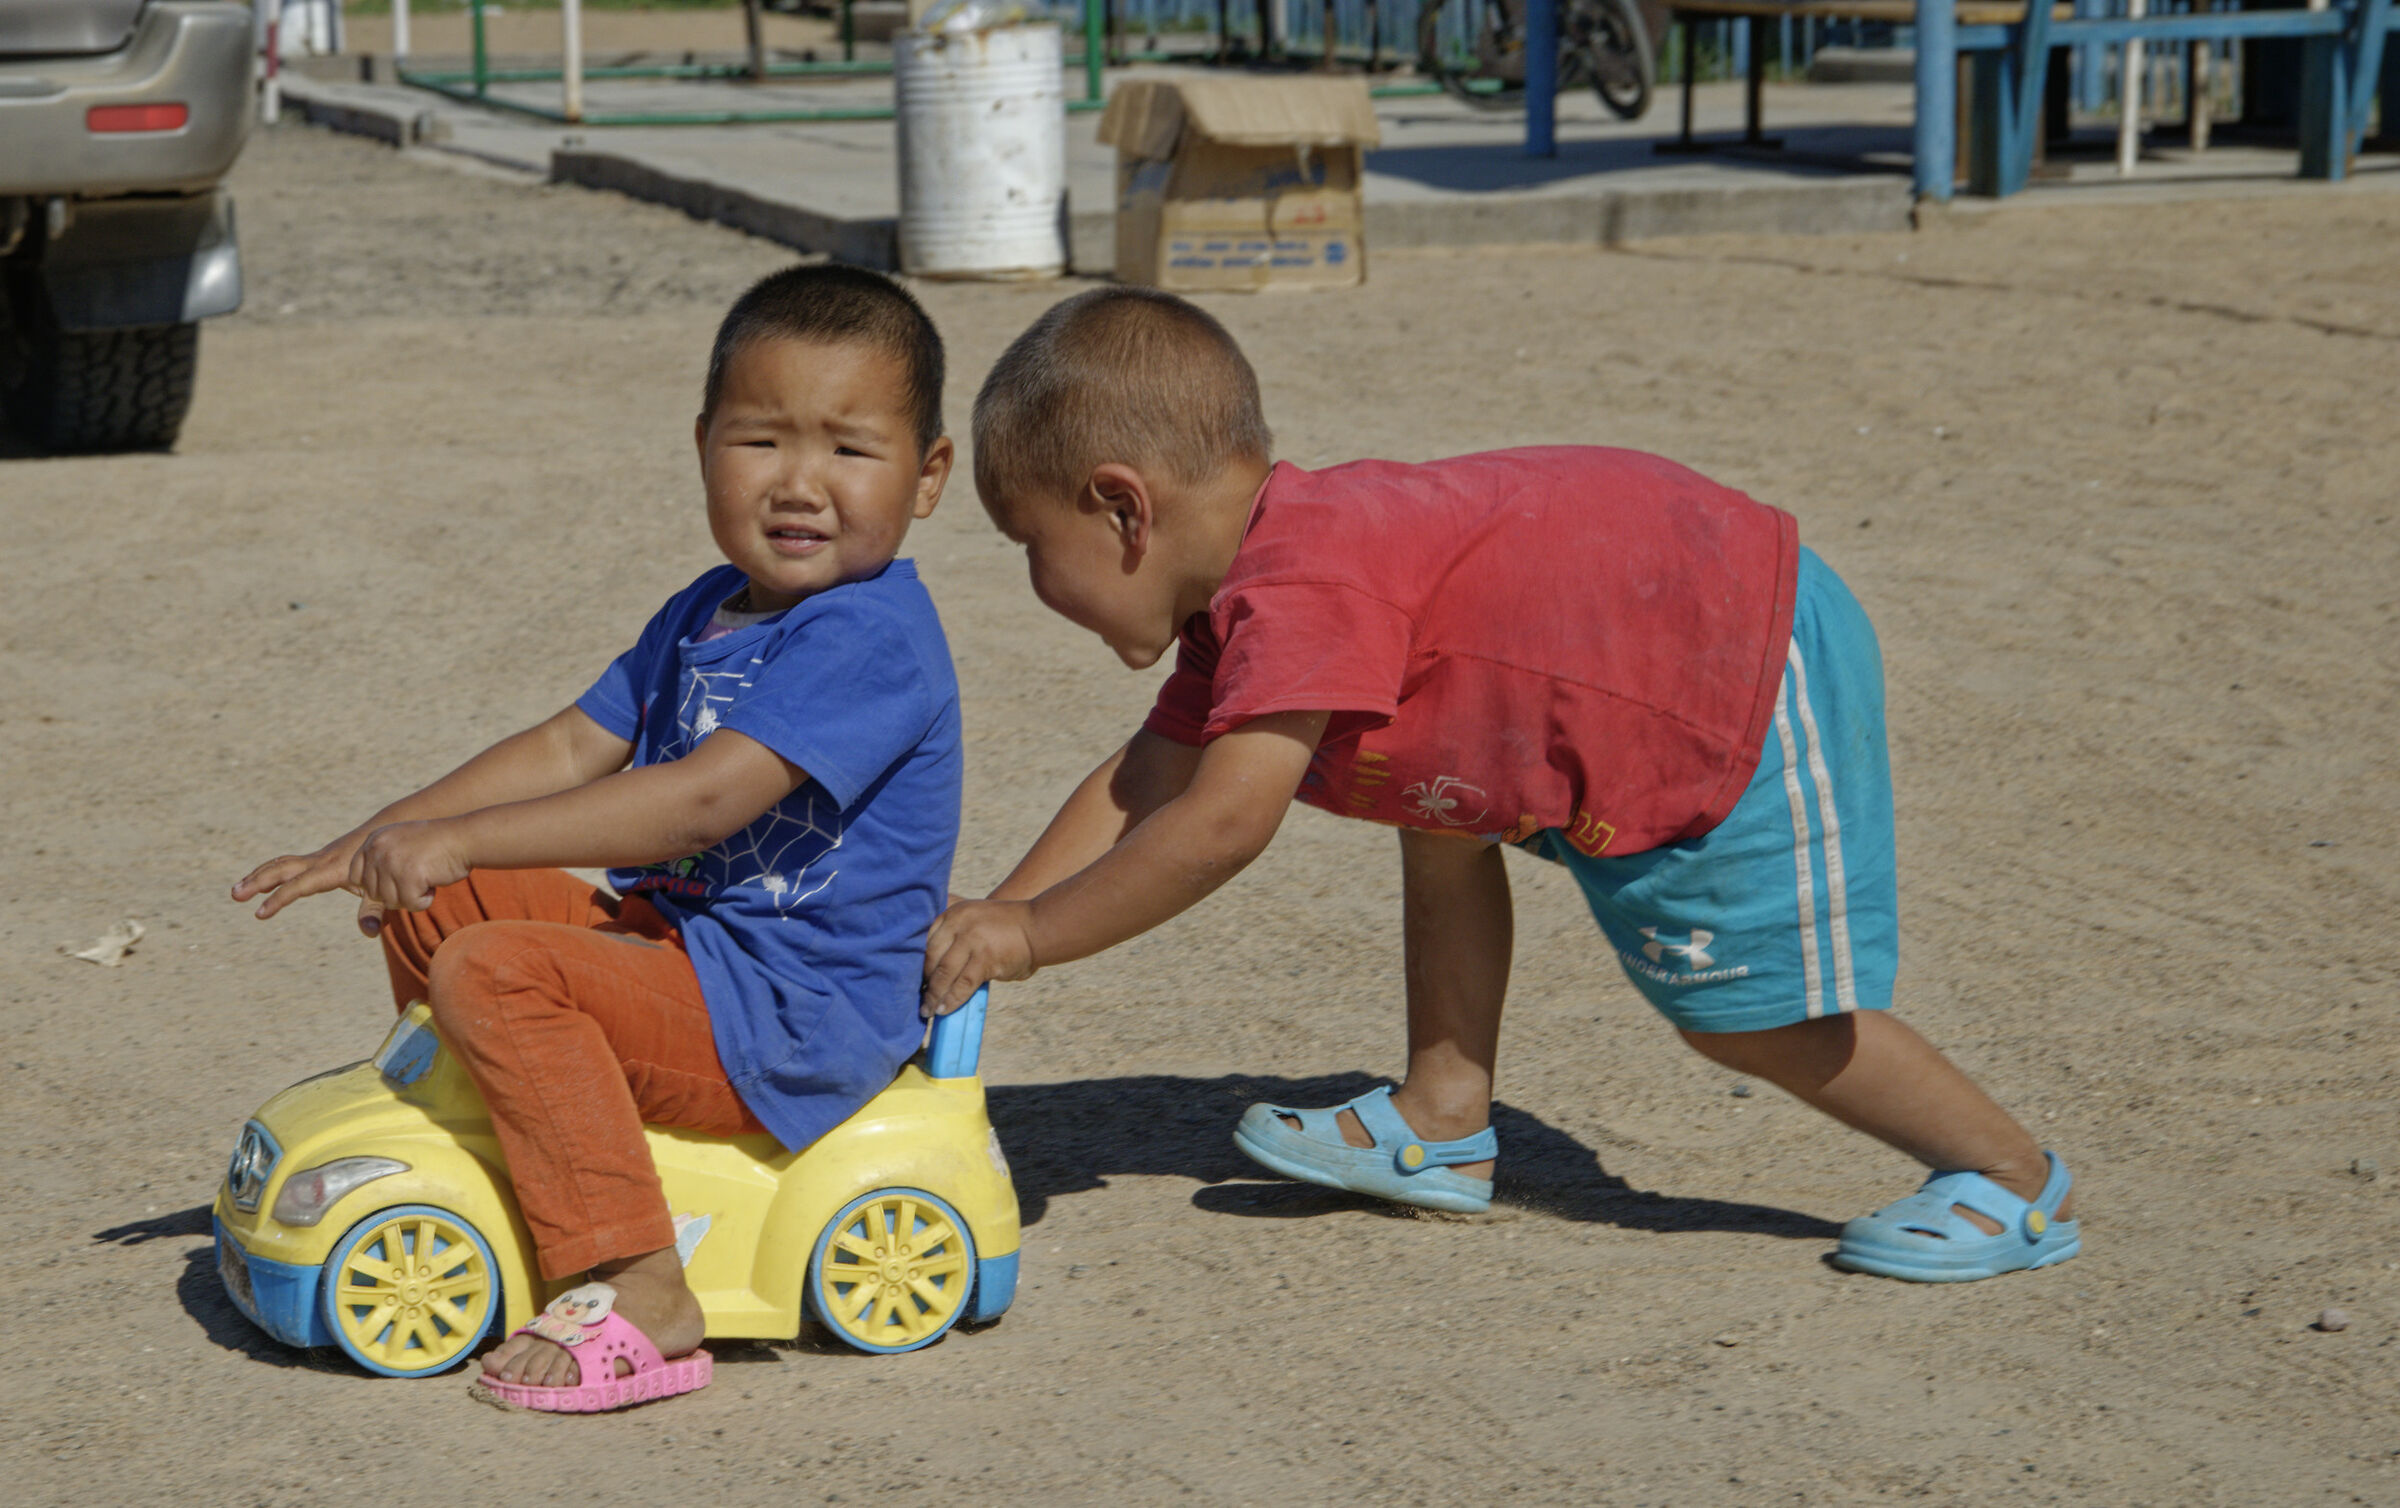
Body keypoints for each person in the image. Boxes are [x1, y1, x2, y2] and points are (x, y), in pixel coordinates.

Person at [922, 286, 2078, 1283]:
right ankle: (1441, 1114)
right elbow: (1147, 775)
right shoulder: (1257, 584)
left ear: (1124, 509)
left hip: (1727, 656)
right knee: (1431, 813)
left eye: (1029, 542)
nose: (1032, 578)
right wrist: (987, 917)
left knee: (1748, 1012)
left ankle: (2009, 1173)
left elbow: (1221, 820)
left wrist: (1030, 936)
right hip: (1647, 626)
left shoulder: (1302, 586)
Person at [233, 265, 965, 1407]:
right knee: (439, 904)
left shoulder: (871, 637)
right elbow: (573, 746)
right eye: (761, 441)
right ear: (702, 443)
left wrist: (467, 839)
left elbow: (702, 801)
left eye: (850, 450)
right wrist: (388, 836)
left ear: (928, 477)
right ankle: (535, 1140)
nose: (801, 484)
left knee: (495, 961)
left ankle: (640, 1275)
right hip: (683, 960)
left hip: (782, 1016)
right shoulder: (706, 606)